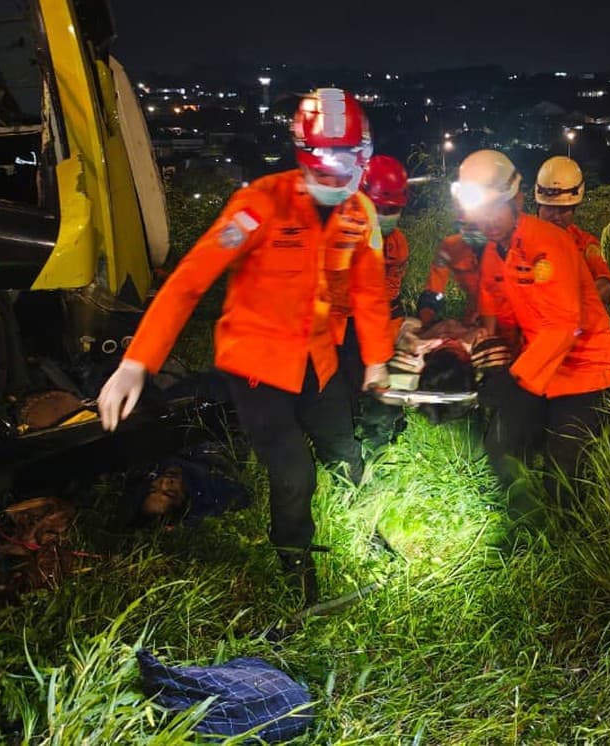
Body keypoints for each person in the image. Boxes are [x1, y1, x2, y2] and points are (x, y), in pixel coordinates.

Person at [97, 88, 393, 604]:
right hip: (257, 366)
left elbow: (367, 291)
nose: (337, 175)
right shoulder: (257, 208)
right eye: (326, 162)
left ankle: (366, 529)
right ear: (304, 155)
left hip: (317, 361)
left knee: (347, 454)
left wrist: (376, 359)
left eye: (348, 161)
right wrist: (136, 363)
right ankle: (296, 571)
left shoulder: (357, 214)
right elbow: (190, 280)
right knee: (294, 475)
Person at [453, 149, 610, 512]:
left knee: (563, 472)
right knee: (500, 445)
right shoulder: (495, 251)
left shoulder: (551, 243)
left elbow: (564, 324)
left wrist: (514, 380)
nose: (488, 221)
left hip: (584, 370)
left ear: (515, 199)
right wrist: (480, 357)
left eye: (494, 209)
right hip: (541, 367)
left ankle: (567, 542)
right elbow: (494, 312)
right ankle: (525, 521)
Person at [332, 154, 409, 451]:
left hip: (376, 323)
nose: (386, 216)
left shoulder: (396, 243)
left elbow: (389, 295)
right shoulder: (341, 234)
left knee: (382, 383)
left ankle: (382, 435)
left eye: (393, 210)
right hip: (338, 325)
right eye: (380, 208)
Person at [534, 156, 610, 310]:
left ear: (574, 210)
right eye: (550, 208)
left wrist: (577, 303)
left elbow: (606, 281)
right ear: (539, 206)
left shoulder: (585, 244)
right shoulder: (520, 239)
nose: (556, 216)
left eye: (564, 210)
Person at [416, 206, 487, 327]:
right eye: (466, 227)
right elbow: (434, 290)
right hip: (472, 319)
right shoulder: (450, 247)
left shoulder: (505, 244)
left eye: (475, 227)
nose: (472, 232)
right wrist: (426, 322)